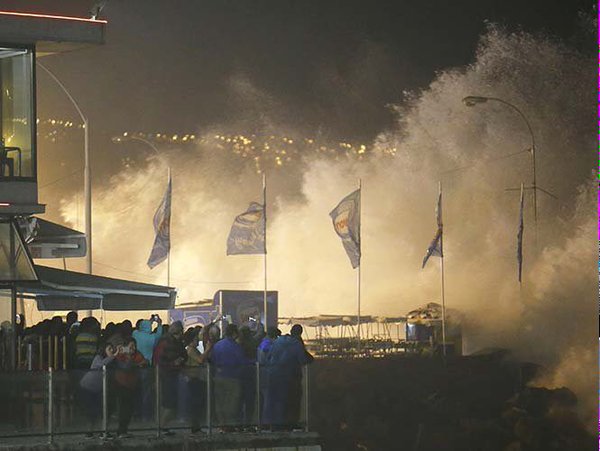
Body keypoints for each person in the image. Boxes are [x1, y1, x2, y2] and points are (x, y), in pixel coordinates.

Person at [265, 324, 313, 429]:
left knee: (275, 400)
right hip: (290, 378)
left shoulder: (278, 341)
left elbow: (268, 357)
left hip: (273, 376)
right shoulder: (296, 344)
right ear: (300, 333)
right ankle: (289, 425)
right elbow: (303, 360)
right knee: (291, 402)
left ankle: (274, 425)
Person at [209, 324, 246, 430]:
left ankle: (222, 425)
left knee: (220, 402)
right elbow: (242, 362)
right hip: (233, 378)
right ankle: (230, 424)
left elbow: (213, 359)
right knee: (232, 402)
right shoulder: (236, 347)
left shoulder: (217, 345)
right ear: (234, 333)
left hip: (218, 377)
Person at [79, 342, 119, 438]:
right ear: (104, 350)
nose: (112, 351)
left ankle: (104, 431)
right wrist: (113, 356)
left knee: (105, 410)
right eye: (109, 349)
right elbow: (101, 364)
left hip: (100, 388)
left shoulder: (112, 361)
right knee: (92, 411)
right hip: (88, 387)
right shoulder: (98, 358)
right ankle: (89, 432)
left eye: (112, 349)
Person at [154, 321, 186, 435]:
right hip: (167, 375)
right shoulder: (168, 343)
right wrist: (174, 363)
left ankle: (162, 427)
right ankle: (161, 427)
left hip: (168, 375)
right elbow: (161, 360)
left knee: (168, 403)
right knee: (169, 404)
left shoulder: (169, 342)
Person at [113, 336, 147, 438]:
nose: (133, 348)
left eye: (134, 346)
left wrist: (140, 363)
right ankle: (121, 431)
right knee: (124, 408)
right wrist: (129, 357)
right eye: (131, 346)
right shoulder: (120, 355)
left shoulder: (137, 354)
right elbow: (125, 367)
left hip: (132, 385)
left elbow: (145, 361)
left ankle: (124, 430)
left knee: (130, 409)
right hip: (121, 384)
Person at [183, 327, 213, 434]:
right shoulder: (190, 349)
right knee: (196, 404)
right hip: (194, 379)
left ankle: (197, 426)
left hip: (198, 378)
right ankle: (195, 427)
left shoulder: (194, 349)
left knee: (199, 404)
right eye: (196, 339)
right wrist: (208, 349)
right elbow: (200, 360)